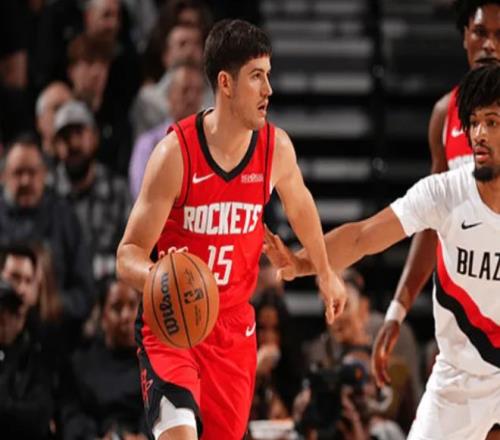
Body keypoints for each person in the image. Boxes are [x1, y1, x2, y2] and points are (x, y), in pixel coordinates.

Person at [116, 19, 346, 440]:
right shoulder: (175, 153)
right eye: (256, 76)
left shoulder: (275, 148)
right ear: (225, 83)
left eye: (268, 75)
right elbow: (127, 253)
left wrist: (325, 272)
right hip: (173, 323)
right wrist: (159, 276)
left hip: (233, 328)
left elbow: (301, 206)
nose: (268, 89)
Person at [264, 64, 500, 439]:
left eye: (492, 122)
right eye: (473, 123)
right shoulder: (445, 192)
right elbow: (363, 236)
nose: (479, 134)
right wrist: (305, 262)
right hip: (457, 382)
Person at [372, 0, 500, 392]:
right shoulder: (445, 115)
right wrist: (398, 308)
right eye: (480, 32)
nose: (490, 45)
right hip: (465, 312)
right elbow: (430, 223)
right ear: (464, 36)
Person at [52, 100, 132, 281]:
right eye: (65, 137)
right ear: (55, 146)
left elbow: (132, 250)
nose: (73, 143)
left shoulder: (117, 190)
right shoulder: (48, 192)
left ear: (95, 137)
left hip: (111, 285)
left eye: (79, 133)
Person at [129, 61, 205, 199]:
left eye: (197, 91)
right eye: (185, 90)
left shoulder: (211, 143)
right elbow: (141, 193)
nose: (191, 98)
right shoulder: (148, 144)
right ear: (170, 96)